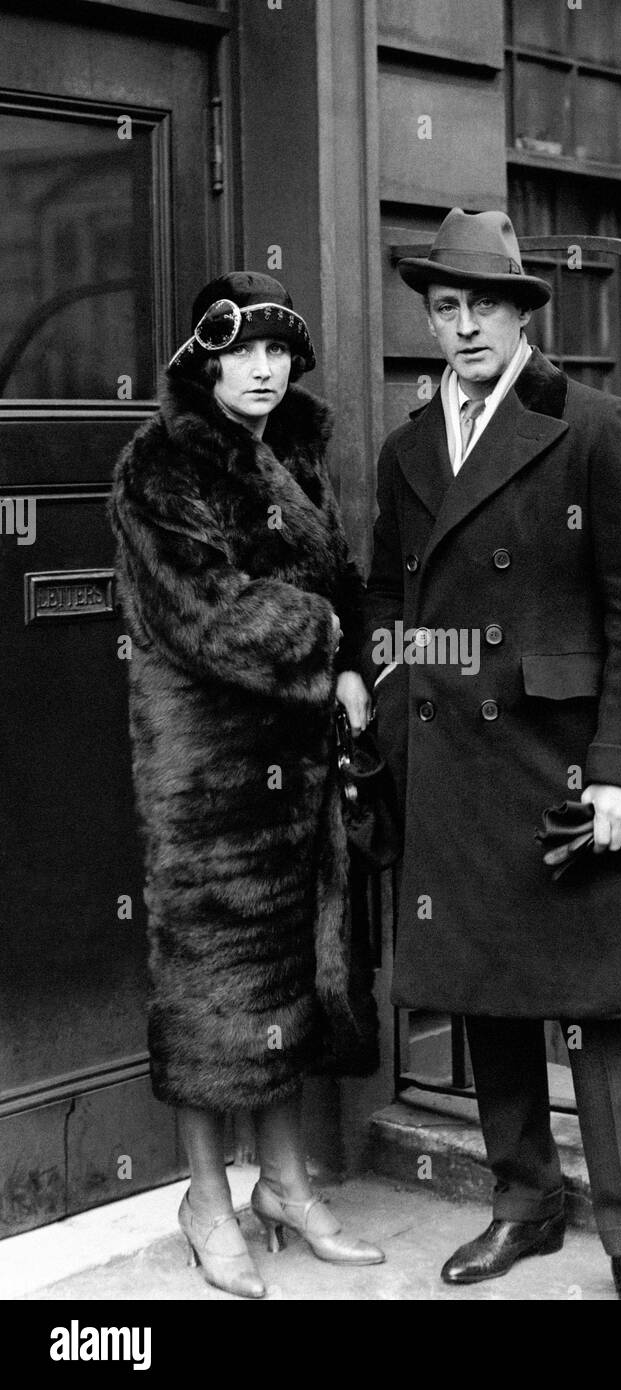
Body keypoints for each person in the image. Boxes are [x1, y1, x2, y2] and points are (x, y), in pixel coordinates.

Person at [364, 210, 621, 1299]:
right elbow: (382, 591)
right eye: (445, 308)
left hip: (565, 767)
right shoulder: (406, 449)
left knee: (597, 1007)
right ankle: (522, 1204)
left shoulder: (596, 427)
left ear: (520, 314)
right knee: (487, 994)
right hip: (449, 764)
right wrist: (381, 681)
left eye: (483, 307)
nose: (462, 328)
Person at [110, 271, 383, 1299]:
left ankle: (283, 1181)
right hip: (206, 767)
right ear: (203, 357)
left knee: (282, 972)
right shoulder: (158, 465)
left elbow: (340, 573)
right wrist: (328, 638)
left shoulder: (299, 445)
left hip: (299, 750)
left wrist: (351, 664)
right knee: (210, 979)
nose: (265, 370)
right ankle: (204, 1199)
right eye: (244, 352)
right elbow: (211, 613)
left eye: (280, 352)